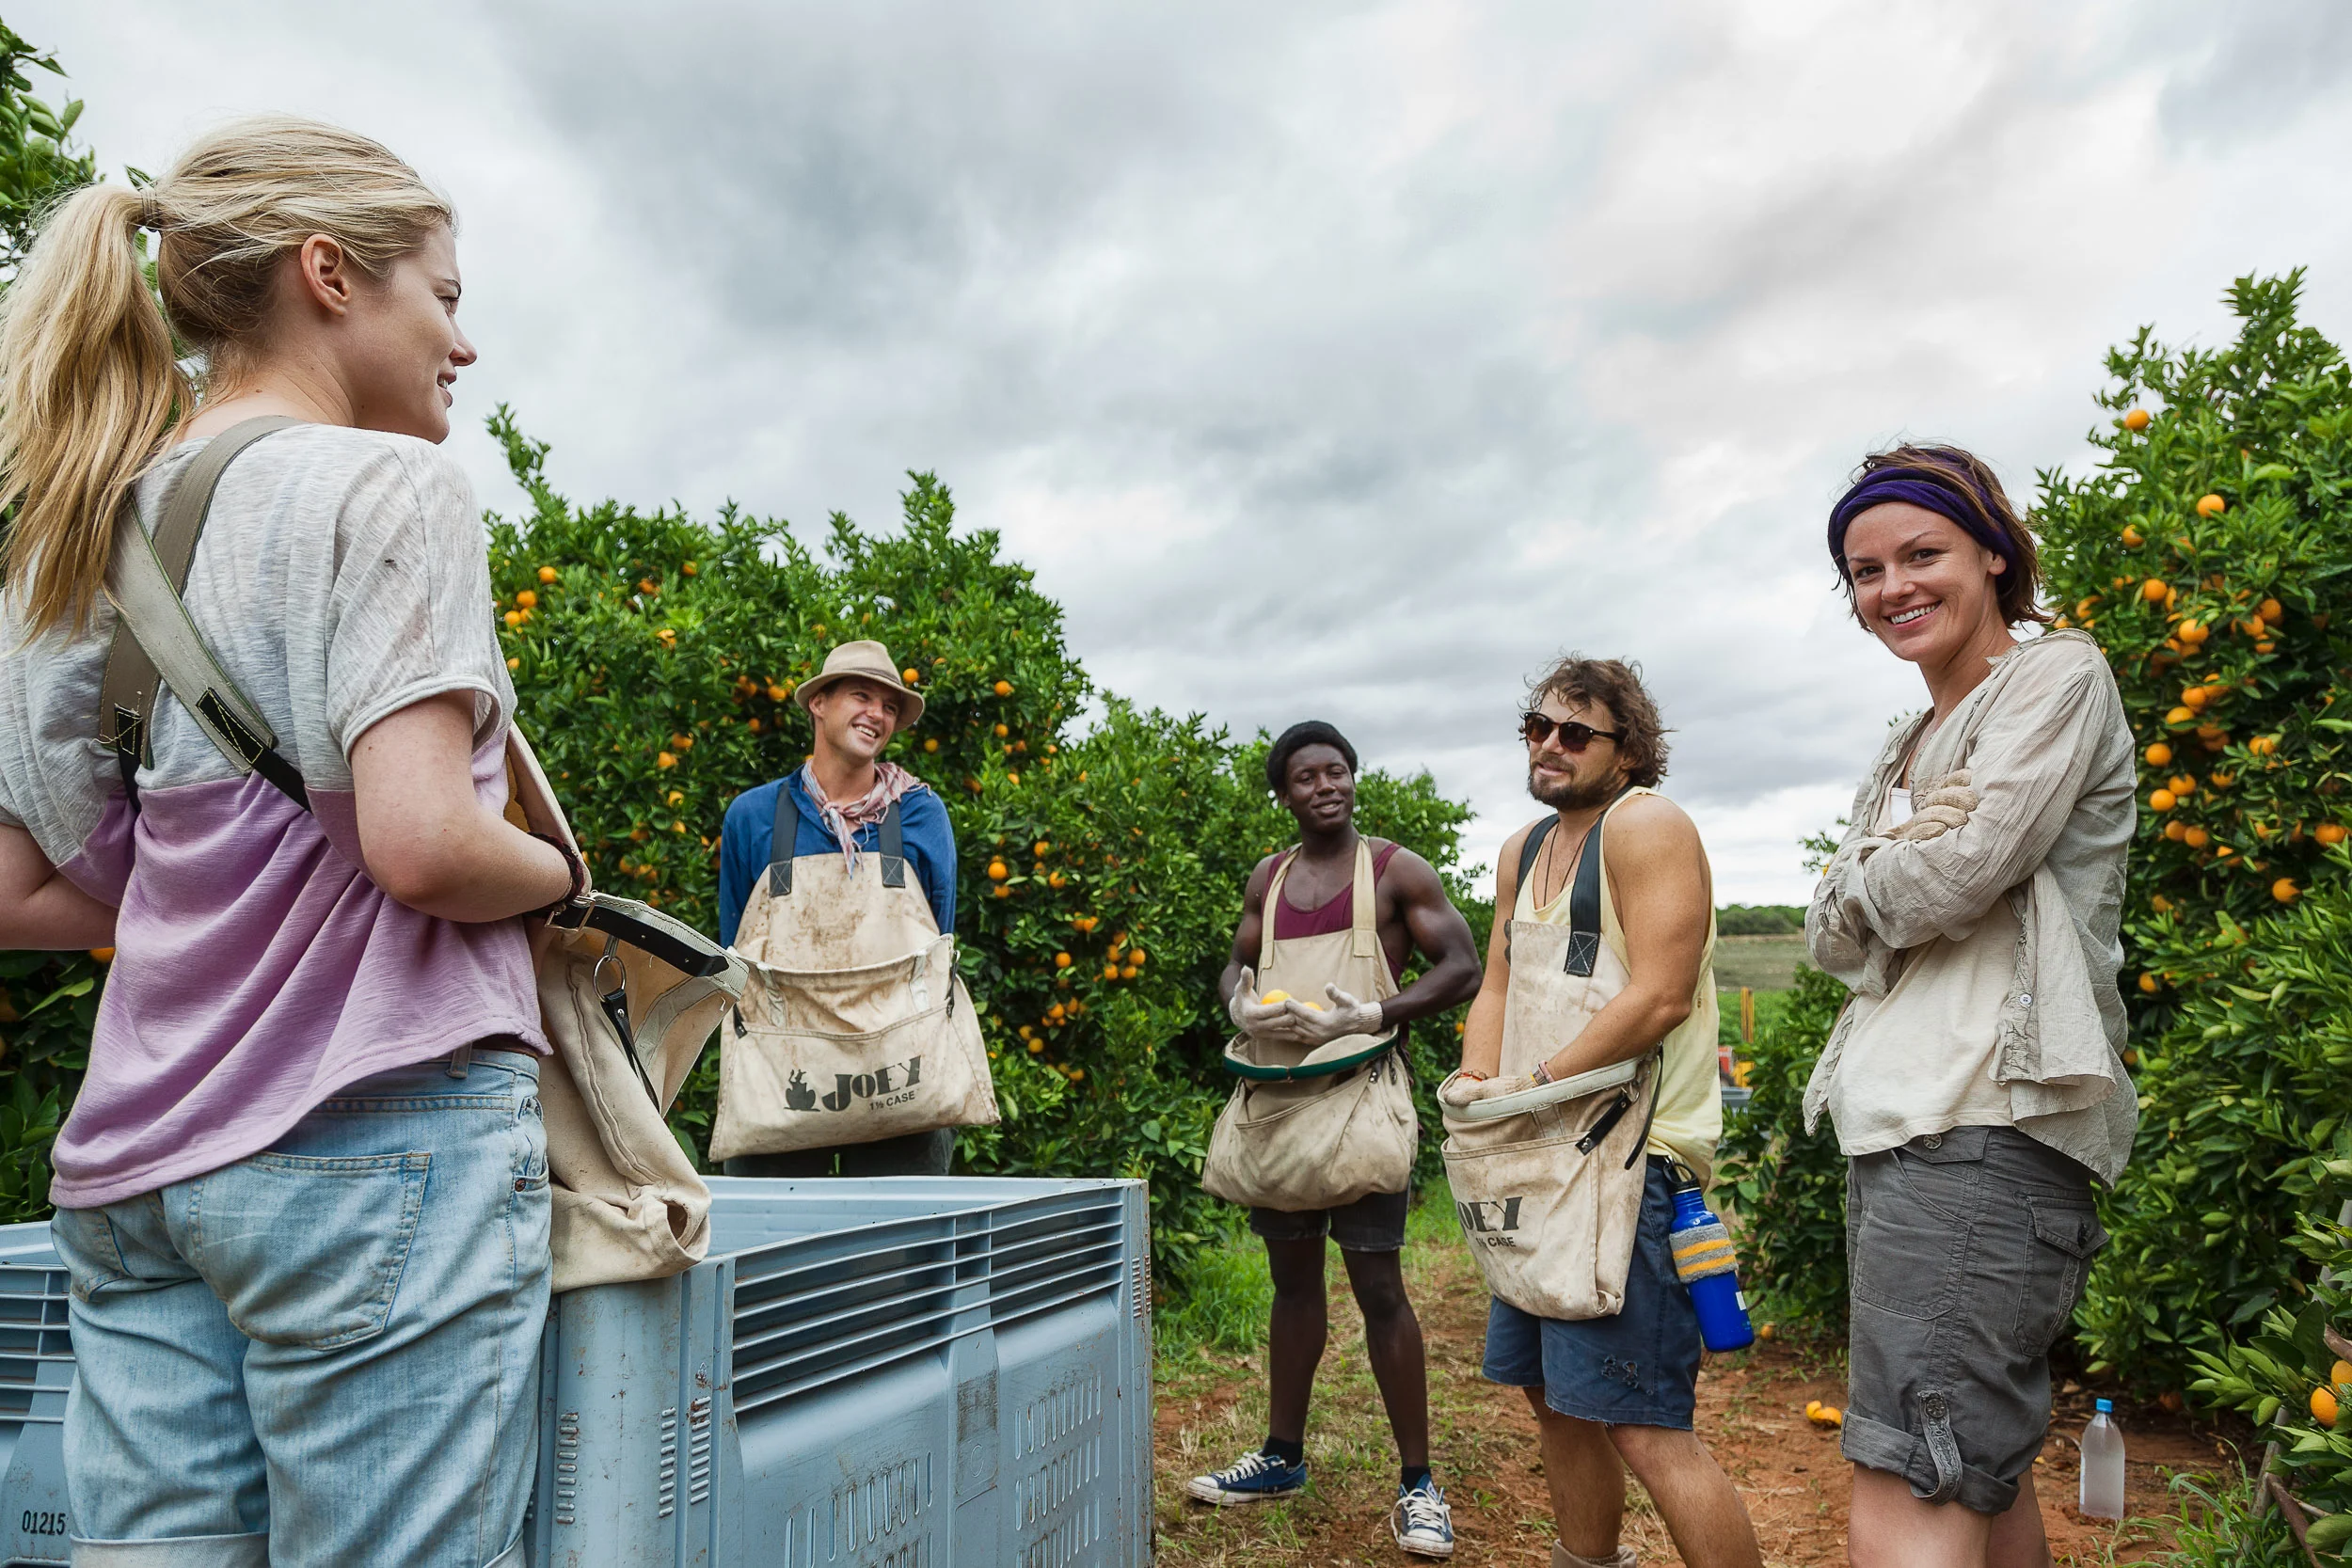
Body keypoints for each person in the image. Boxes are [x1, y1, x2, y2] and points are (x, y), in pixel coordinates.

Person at [0, 119, 577, 1565]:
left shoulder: (78, 525)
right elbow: (430, 847)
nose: (464, 341)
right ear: (330, 273)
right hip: (371, 1141)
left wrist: (220, 892)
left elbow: (23, 889)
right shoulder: (384, 488)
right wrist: (564, 878)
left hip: (140, 1172)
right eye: (443, 294)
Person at [1805, 445, 2134, 1568]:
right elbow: (1828, 934)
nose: (1891, 585)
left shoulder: (2056, 676)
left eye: (1921, 552)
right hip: (1908, 1123)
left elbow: (1957, 874)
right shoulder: (1904, 746)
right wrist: (1909, 842)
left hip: (1985, 1117)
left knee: (1916, 1469)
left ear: (1994, 551)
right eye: (1863, 568)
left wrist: (1907, 855)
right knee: (1976, 1477)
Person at [1456, 657, 1761, 1568]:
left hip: (1633, 1167)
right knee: (1555, 1396)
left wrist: (1536, 1080)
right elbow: (1497, 981)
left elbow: (1660, 995)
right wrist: (1480, 1085)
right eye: (1536, 726)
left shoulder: (1648, 827)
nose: (1549, 744)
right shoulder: (1522, 848)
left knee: (1641, 1423)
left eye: (1574, 732)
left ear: (1625, 752)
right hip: (1543, 1164)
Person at [1189, 721, 1483, 1559]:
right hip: (1280, 1103)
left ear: (1354, 779)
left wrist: (1377, 1012)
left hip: (1360, 1102)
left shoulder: (1394, 871)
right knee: (1292, 1285)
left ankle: (1419, 1482)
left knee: (1380, 1286)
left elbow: (1460, 964)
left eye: (1338, 770)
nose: (1327, 785)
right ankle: (1281, 1455)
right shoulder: (1269, 877)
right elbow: (1234, 964)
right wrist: (1238, 1001)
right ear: (1284, 793)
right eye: (1307, 776)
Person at [715, 639, 961, 1176]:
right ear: (818, 704)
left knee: (901, 1256)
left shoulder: (920, 815)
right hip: (781, 1081)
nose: (878, 714)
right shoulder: (753, 816)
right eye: (860, 696)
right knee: (773, 1253)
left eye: (890, 706)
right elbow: (735, 954)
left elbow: (939, 944)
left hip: (902, 1079)